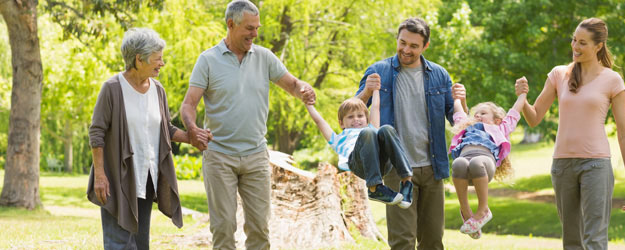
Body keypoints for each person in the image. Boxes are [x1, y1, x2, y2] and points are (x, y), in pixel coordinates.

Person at [180, 1, 316, 249]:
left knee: (260, 230)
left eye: (257, 28)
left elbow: (292, 84)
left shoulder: (264, 57)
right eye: (249, 28)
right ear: (231, 24)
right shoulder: (208, 60)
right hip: (219, 156)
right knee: (223, 229)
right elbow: (188, 105)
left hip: (255, 156)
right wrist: (193, 129)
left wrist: (304, 90)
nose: (255, 34)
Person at [515, 18, 625, 250]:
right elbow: (534, 119)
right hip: (562, 166)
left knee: (594, 239)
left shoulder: (612, 80)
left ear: (598, 46)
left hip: (596, 165)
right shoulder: (558, 74)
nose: (575, 47)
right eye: (574, 40)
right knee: (572, 241)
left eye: (583, 43)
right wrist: (522, 98)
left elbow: (624, 133)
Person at [87, 27, 206, 249]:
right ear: (139, 59)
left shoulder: (158, 89)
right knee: (119, 243)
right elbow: (97, 132)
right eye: (157, 58)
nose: (162, 63)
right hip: (119, 177)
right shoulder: (112, 88)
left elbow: (165, 130)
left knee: (141, 243)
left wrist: (192, 138)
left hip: (146, 177)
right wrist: (100, 175)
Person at [355, 17, 467, 250]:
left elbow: (458, 121)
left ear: (425, 46)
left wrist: (461, 101)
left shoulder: (439, 75)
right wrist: (366, 91)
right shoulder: (379, 71)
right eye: (402, 42)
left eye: (413, 46)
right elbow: (351, 115)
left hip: (432, 169)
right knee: (402, 242)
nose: (406, 49)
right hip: (397, 169)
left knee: (433, 242)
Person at [306, 85, 413, 207]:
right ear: (341, 123)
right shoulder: (339, 139)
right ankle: (374, 188)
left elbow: (376, 107)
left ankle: (406, 183)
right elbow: (320, 121)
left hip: (381, 164)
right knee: (368, 133)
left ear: (366, 119)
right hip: (359, 165)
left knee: (386, 129)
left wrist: (376, 90)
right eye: (350, 117)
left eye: (360, 116)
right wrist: (309, 105)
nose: (356, 119)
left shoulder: (371, 127)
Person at [449, 91, 526, 239]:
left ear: (496, 120)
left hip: (484, 164)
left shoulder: (501, 127)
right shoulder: (465, 126)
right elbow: (458, 112)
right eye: (476, 113)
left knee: (477, 162)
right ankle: (466, 212)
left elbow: (515, 112)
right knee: (458, 163)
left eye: (483, 113)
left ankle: (483, 209)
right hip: (465, 167)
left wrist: (522, 94)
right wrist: (457, 99)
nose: (478, 115)